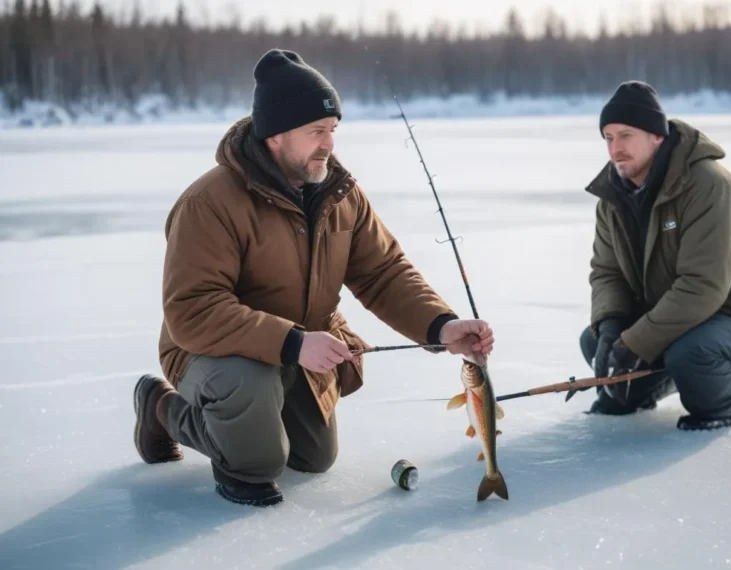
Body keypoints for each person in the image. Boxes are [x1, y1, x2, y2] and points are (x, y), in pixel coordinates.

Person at [132, 49, 494, 507]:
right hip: (209, 349)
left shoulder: (340, 193)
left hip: (298, 347)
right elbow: (193, 309)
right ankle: (161, 407)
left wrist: (441, 326)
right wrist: (294, 342)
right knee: (258, 460)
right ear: (276, 135)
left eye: (333, 129)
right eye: (316, 131)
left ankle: (254, 427)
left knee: (312, 457)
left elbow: (383, 272)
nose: (329, 144)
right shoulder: (209, 203)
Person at [569, 80, 731, 430]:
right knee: (595, 341)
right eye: (608, 137)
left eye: (626, 135)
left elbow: (704, 285)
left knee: (692, 353)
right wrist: (612, 326)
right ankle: (639, 390)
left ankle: (730, 405)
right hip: (679, 314)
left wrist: (634, 343)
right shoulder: (612, 199)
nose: (616, 148)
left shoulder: (708, 185)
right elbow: (606, 272)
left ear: (656, 136)